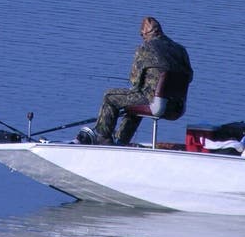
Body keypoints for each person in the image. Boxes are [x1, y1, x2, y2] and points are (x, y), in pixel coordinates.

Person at [76, 17, 193, 146]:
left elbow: (135, 81)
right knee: (133, 104)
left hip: (156, 104)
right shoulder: (181, 50)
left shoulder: (145, 48)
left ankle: (102, 137)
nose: (143, 38)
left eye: (142, 35)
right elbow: (189, 77)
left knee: (110, 96)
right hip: (176, 107)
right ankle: (120, 142)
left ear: (146, 34)